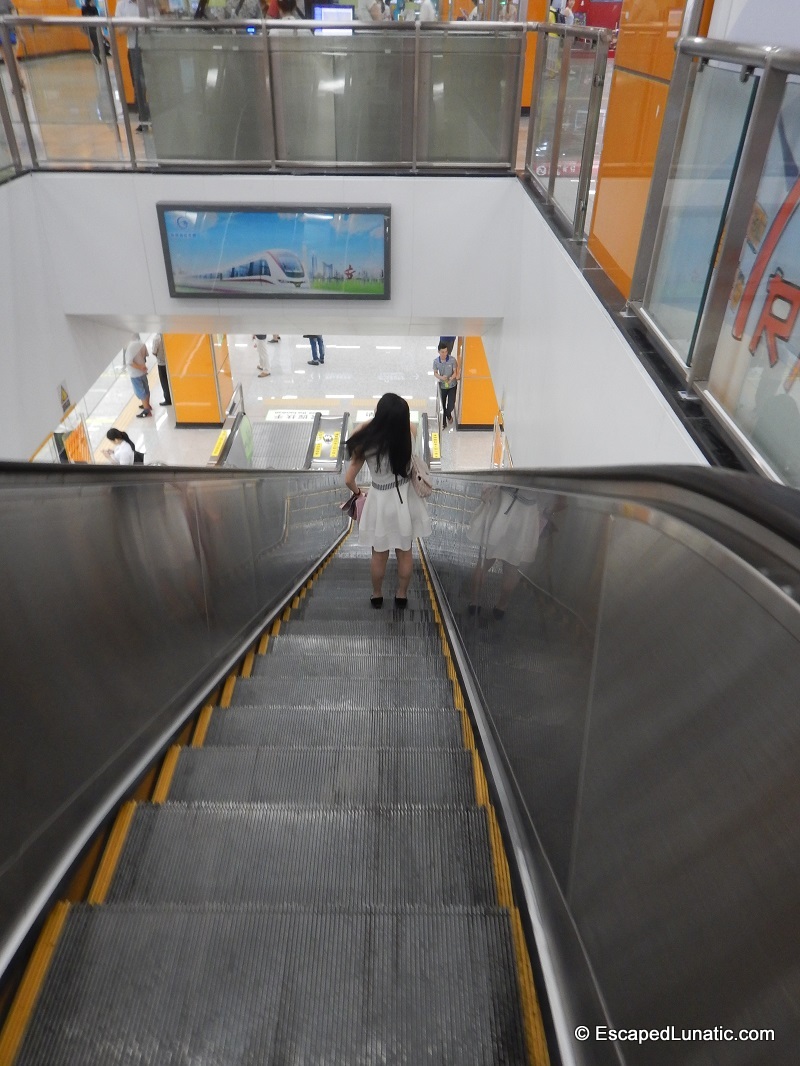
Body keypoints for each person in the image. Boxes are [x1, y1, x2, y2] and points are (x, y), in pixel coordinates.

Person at [344, 393, 432, 609]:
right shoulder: (409, 433)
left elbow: (349, 479)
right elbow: (406, 424)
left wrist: (358, 493)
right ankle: (401, 595)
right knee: (405, 552)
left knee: (379, 554)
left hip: (380, 502)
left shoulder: (366, 443)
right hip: (404, 501)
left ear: (379, 416)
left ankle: (377, 594)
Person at [466, 485, 541, 619]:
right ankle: (501, 607)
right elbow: (558, 501)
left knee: (485, 562)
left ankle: (474, 603)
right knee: (512, 568)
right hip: (526, 514)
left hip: (502, 506)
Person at [115, 0, 150, 131]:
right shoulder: (122, 4)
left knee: (154, 82)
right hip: (134, 48)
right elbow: (119, 30)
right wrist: (131, 24)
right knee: (139, 85)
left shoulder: (148, 2)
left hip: (152, 46)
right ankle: (144, 119)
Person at [124, 332, 152, 417]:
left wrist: (139, 367)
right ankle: (147, 405)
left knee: (140, 391)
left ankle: (146, 410)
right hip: (143, 371)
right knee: (146, 388)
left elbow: (129, 362)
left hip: (135, 373)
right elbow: (146, 355)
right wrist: (142, 366)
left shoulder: (130, 346)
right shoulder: (142, 343)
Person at [433, 339, 459, 426]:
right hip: (443, 386)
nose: (444, 354)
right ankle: (443, 423)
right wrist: (441, 377)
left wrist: (452, 378)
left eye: (446, 352)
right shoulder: (436, 362)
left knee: (451, 404)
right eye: (442, 352)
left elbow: (455, 372)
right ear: (438, 352)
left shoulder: (452, 360)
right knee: (442, 404)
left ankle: (448, 414)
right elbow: (435, 373)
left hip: (452, 385)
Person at [151, 332, 171, 405]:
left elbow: (154, 352)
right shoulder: (169, 335)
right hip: (171, 363)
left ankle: (168, 400)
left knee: (164, 382)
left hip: (162, 364)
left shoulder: (156, 338)